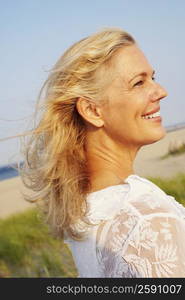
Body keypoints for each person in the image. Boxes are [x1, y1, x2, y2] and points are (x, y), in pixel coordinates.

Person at [20, 27, 185, 277]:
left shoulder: (89, 211)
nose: (161, 91)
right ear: (92, 111)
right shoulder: (146, 219)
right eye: (138, 82)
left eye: (153, 77)